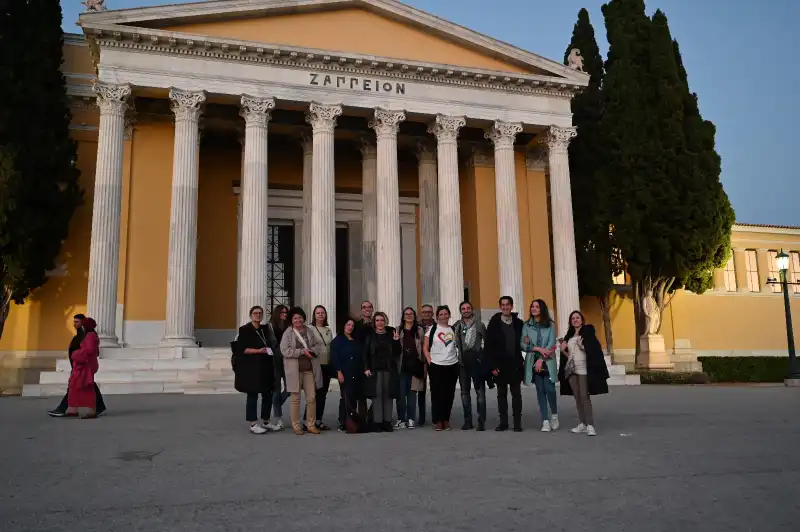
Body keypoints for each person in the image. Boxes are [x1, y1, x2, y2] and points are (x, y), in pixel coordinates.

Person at [558, 310, 609, 437]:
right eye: (573, 318)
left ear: (582, 320)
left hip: (583, 369)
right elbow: (569, 355)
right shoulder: (568, 336)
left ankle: (590, 425)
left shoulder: (588, 333)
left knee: (584, 397)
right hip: (571, 370)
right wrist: (562, 349)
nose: (575, 320)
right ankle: (583, 423)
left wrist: (582, 347)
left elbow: (593, 350)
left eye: (577, 318)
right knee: (577, 397)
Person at [48, 314, 107, 418]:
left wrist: (76, 356)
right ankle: (77, 408)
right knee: (82, 386)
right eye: (74, 322)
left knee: (80, 386)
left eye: (77, 322)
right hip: (78, 365)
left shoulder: (87, 335)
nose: (75, 324)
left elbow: (88, 351)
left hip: (83, 366)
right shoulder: (83, 335)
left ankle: (65, 408)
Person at [279, 307, 324, 435]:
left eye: (300, 317)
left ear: (303, 318)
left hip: (309, 369)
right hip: (294, 370)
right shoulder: (288, 333)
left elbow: (317, 345)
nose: (298, 320)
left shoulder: (309, 330)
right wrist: (301, 352)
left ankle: (310, 424)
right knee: (295, 398)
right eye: (295, 318)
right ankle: (296, 425)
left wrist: (312, 351)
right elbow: (284, 350)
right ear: (291, 320)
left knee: (312, 397)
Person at [234, 306, 277, 434]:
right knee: (252, 395)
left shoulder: (266, 329)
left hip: (266, 366)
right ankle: (253, 423)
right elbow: (242, 349)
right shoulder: (244, 330)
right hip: (252, 367)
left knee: (267, 394)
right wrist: (258, 351)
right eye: (255, 313)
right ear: (250, 315)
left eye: (260, 313)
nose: (258, 315)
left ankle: (266, 421)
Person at [486, 296, 525, 432]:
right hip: (499, 365)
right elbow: (489, 346)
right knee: (501, 395)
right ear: (500, 307)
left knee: (516, 395)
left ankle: (517, 423)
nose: (505, 307)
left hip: (515, 364)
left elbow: (524, 341)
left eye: (507, 305)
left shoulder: (519, 323)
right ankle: (503, 422)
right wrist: (492, 366)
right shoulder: (494, 323)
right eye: (503, 305)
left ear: (512, 306)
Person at [521, 299, 559, 432]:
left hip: (547, 361)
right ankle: (545, 420)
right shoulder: (526, 325)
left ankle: (554, 415)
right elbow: (523, 345)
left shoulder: (550, 325)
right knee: (540, 391)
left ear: (542, 309)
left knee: (550, 390)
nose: (534, 309)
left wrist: (542, 358)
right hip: (533, 362)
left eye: (537, 307)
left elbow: (552, 345)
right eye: (532, 306)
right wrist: (537, 349)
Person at [423, 305, 459, 431]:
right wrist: (430, 361)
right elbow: (425, 347)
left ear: (449, 315)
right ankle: (438, 420)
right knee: (437, 393)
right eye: (441, 314)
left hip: (452, 365)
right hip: (436, 365)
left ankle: (446, 419)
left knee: (449, 393)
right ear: (437, 316)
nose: (443, 316)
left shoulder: (453, 329)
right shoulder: (432, 329)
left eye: (445, 314)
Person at [363, 311, 401, 432]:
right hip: (375, 370)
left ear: (385, 321)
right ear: (374, 322)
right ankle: (377, 422)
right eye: (377, 320)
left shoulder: (391, 334)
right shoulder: (370, 336)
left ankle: (387, 421)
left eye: (382, 320)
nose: (380, 323)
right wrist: (366, 368)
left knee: (388, 396)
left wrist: (396, 341)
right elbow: (365, 354)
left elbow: (397, 352)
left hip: (389, 369)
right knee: (377, 396)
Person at [454, 301, 488, 431]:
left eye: (468, 308)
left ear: (472, 310)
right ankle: (467, 421)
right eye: (463, 308)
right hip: (462, 364)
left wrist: (483, 358)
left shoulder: (479, 325)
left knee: (480, 393)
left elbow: (487, 342)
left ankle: (481, 421)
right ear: (460, 311)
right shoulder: (457, 326)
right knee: (464, 392)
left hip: (477, 364)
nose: (466, 310)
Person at [331, 317, 363, 432]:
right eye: (348, 325)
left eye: (352, 326)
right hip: (344, 372)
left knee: (353, 396)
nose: (350, 327)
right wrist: (339, 372)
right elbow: (335, 357)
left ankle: (352, 419)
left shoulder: (355, 340)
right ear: (344, 326)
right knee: (345, 397)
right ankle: (342, 421)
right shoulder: (338, 340)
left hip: (355, 372)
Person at [305, 305, 334, 431]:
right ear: (314, 315)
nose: (320, 315)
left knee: (323, 394)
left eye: (323, 312)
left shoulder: (328, 330)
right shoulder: (309, 329)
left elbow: (331, 347)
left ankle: (318, 420)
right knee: (313, 394)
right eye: (318, 313)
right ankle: (308, 420)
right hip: (314, 365)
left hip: (326, 365)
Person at [66, 317, 100, 419]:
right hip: (83, 366)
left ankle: (91, 411)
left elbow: (88, 351)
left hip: (85, 366)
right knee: (75, 387)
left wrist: (75, 354)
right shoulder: (91, 335)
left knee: (86, 387)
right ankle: (73, 409)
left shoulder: (90, 336)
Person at [396, 307, 424, 429]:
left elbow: (423, 348)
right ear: (403, 316)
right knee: (401, 394)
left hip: (415, 366)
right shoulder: (398, 330)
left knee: (412, 394)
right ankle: (401, 419)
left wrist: (424, 366)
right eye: (406, 314)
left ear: (414, 316)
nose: (408, 315)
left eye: (411, 313)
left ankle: (411, 418)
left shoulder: (419, 330)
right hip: (401, 366)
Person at [265, 304, 290, 431]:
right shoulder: (269, 327)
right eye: (282, 312)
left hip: (288, 360)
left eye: (286, 312)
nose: (284, 314)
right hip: (275, 361)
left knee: (290, 388)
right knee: (276, 389)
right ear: (277, 313)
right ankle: (279, 418)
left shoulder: (289, 327)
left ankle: (276, 405)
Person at [417, 303, 435, 426]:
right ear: (421, 313)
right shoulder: (417, 326)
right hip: (420, 361)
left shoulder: (437, 326)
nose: (426, 314)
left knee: (435, 389)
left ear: (432, 314)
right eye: (424, 312)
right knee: (421, 390)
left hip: (434, 360)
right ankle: (422, 418)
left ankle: (436, 416)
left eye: (429, 312)